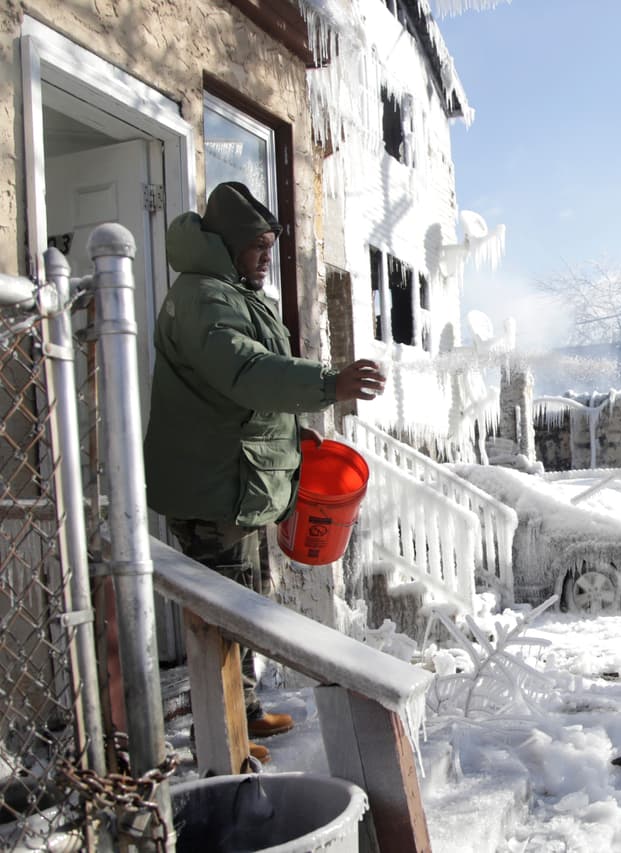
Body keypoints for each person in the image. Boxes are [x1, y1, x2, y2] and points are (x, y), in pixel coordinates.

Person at [144, 182, 385, 762]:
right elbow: (245, 372)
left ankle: (242, 710)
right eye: (257, 245)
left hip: (239, 481)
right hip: (213, 487)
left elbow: (243, 392)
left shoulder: (232, 290)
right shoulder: (205, 296)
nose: (266, 257)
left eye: (270, 245)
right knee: (220, 613)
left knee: (244, 600)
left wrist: (289, 432)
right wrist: (328, 383)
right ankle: (220, 738)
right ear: (227, 244)